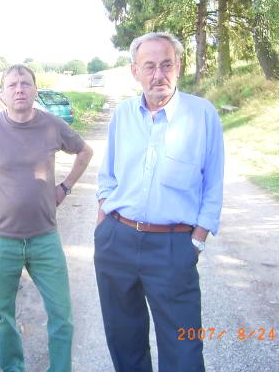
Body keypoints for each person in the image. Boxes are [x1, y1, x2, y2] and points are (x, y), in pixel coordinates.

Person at [94, 32, 224, 372]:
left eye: (166, 65)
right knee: (124, 340)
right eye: (149, 66)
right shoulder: (123, 114)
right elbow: (107, 176)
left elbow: (213, 185)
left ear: (178, 66)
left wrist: (197, 240)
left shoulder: (202, 114)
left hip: (172, 245)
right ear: (135, 71)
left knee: (183, 351)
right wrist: (103, 227)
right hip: (117, 241)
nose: (158, 74)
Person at [0, 64, 93, 372]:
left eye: (25, 84)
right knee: (2, 316)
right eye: (13, 85)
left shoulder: (52, 125)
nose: (19, 89)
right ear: (3, 94)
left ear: (35, 90)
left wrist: (65, 187)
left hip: (45, 238)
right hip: (2, 240)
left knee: (62, 316)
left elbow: (85, 152)